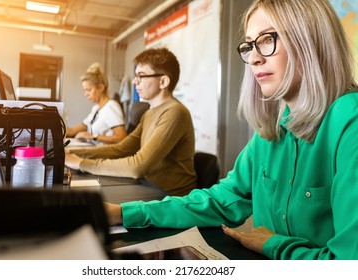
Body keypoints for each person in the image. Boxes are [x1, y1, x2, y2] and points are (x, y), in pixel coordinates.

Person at [105, 0, 358, 260]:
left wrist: (276, 246)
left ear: (311, 41)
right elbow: (222, 200)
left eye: (268, 39)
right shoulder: (272, 129)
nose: (255, 58)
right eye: (250, 45)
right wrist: (124, 213)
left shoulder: (351, 119)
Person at [65, 48, 196, 196]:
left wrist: (81, 163)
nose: (135, 82)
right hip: (148, 187)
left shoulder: (175, 112)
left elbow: (137, 166)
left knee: (95, 208)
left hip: (170, 198)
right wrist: (72, 153)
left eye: (141, 76)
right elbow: (120, 149)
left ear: (163, 81)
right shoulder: (149, 113)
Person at [66, 63, 127, 145]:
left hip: (104, 154)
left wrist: (92, 136)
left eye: (88, 89)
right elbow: (72, 131)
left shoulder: (111, 106)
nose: (85, 94)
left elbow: (122, 138)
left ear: (101, 87)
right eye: (85, 90)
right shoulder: (96, 109)